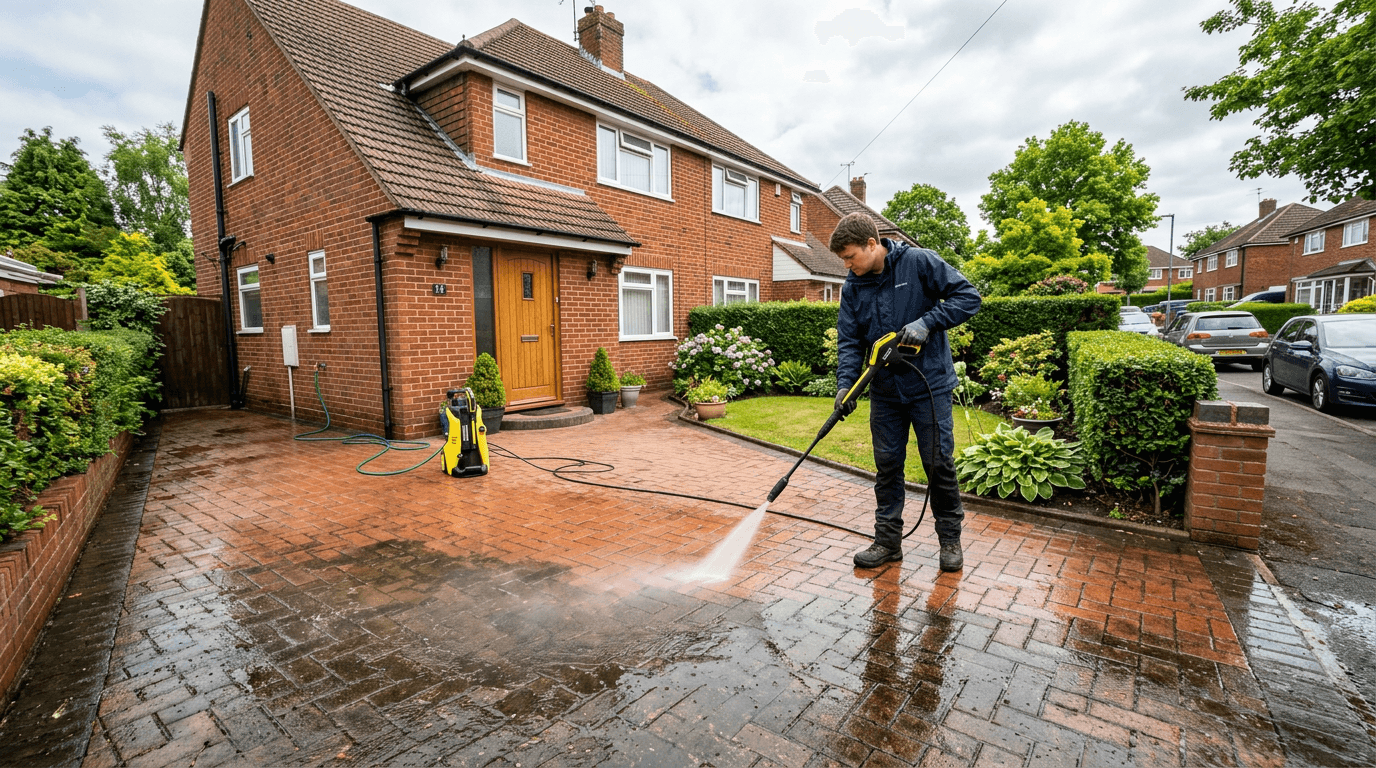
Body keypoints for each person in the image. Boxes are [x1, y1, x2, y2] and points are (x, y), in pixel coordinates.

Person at [829, 212, 981, 571]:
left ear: (872, 243)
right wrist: (844, 386)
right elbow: (850, 342)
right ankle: (887, 542)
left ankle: (949, 540)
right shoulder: (853, 287)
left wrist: (928, 322)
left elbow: (968, 297)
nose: (848, 266)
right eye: (843, 261)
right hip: (885, 391)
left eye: (851, 257)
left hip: (929, 387)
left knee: (938, 464)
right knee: (887, 465)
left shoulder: (918, 262)